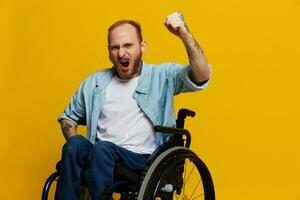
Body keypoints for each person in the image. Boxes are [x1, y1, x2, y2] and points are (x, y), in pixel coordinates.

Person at [56, 11, 211, 200]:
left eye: (128, 45)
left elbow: (202, 75)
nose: (122, 53)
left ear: (142, 46)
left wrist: (184, 35)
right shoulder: (95, 83)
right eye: (115, 47)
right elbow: (68, 118)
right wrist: (77, 146)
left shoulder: (161, 76)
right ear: (109, 51)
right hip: (100, 156)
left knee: (103, 148)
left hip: (142, 160)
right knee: (75, 146)